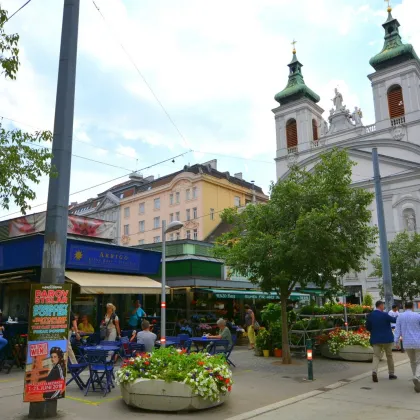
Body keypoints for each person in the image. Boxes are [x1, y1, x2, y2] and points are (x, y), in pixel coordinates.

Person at [366, 300, 397, 382]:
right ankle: (391, 374)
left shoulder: (370, 315)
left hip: (376, 339)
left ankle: (374, 372)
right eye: (383, 305)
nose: (384, 307)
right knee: (389, 356)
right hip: (387, 339)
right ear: (380, 306)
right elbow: (394, 320)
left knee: (376, 356)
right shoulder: (385, 315)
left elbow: (368, 327)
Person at [394, 302, 420, 392]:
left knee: (412, 361)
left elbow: (397, 330)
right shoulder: (417, 316)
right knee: (419, 361)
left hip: (407, 343)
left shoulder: (400, 317)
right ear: (412, 307)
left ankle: (415, 377)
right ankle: (417, 376)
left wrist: (396, 342)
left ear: (405, 307)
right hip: (418, 342)